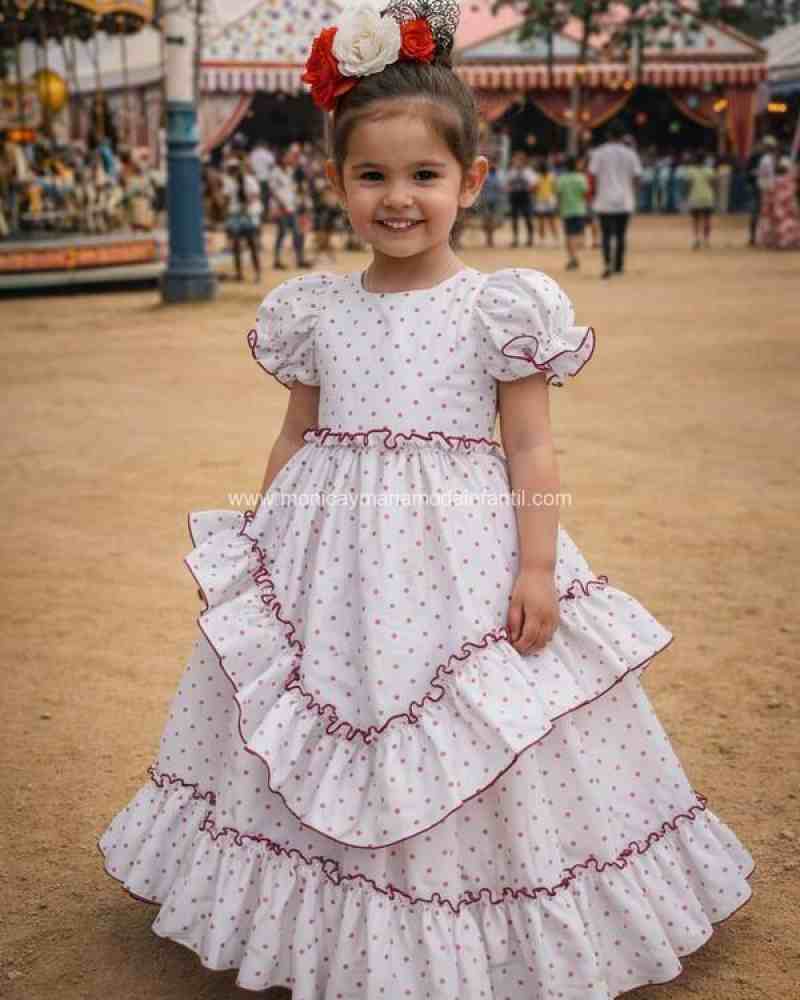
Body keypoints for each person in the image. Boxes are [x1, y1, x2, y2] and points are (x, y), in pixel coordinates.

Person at [97, 1, 754, 995]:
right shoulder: (315, 309)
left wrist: (538, 568)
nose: (396, 198)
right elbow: (295, 435)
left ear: (469, 181)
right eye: (371, 175)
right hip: (326, 566)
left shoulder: (499, 307)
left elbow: (530, 446)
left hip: (463, 562)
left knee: (482, 728)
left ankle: (480, 920)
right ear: (335, 182)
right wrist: (257, 554)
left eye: (423, 176)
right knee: (321, 718)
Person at [588, 119, 642, 278]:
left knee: (606, 234)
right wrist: (634, 192)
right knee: (620, 234)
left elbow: (592, 176)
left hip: (604, 199)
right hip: (625, 200)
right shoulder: (630, 153)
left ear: (608, 135)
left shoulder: (599, 153)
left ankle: (607, 264)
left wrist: (593, 194)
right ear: (622, 136)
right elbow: (637, 176)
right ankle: (618, 266)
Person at [268, 148, 312, 270]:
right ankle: (277, 260)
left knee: (297, 232)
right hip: (280, 207)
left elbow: (292, 189)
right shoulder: (275, 172)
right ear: (281, 159)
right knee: (282, 233)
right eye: (286, 157)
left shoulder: (289, 171)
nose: (289, 159)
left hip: (291, 206)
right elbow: (273, 191)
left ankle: (299, 259)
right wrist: (281, 205)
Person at [222, 156, 262, 282]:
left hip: (245, 215)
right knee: (239, 246)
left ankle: (255, 273)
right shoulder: (230, 182)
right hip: (237, 215)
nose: (233, 171)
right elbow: (227, 199)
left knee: (250, 244)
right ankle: (241, 273)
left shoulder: (247, 180)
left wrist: (246, 204)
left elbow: (255, 195)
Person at [756, 154, 800, 250]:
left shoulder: (777, 181)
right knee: (784, 226)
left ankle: (781, 242)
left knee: (781, 226)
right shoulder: (786, 181)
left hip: (781, 207)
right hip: (783, 207)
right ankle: (783, 242)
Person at [556, 154, 588, 270]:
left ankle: (572, 257)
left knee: (569, 235)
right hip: (579, 210)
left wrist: (559, 208)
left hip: (566, 210)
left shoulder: (562, 178)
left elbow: (559, 194)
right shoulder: (581, 178)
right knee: (578, 234)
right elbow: (585, 193)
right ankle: (575, 255)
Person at [685, 149, 717, 249]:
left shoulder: (690, 170)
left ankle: (696, 240)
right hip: (707, 197)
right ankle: (706, 240)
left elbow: (688, 185)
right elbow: (713, 184)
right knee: (707, 219)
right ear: (704, 160)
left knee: (695, 220)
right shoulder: (709, 170)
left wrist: (687, 195)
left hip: (694, 197)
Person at [505, 149, 537, 248]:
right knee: (514, 218)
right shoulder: (512, 171)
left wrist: (529, 189)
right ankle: (515, 239)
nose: (517, 161)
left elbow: (534, 184)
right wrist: (509, 188)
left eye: (520, 159)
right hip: (515, 196)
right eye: (516, 159)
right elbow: (507, 184)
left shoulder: (528, 171)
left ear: (524, 161)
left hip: (525, 196)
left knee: (528, 217)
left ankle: (530, 238)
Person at [476, 158, 507, 247]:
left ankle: (490, 238)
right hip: (486, 200)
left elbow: (502, 188)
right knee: (486, 220)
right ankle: (488, 238)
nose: (493, 166)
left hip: (494, 201)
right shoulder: (485, 176)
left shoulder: (499, 176)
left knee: (492, 220)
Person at [534, 154, 560, 245]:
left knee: (551, 220)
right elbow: (536, 188)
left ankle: (555, 238)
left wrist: (555, 199)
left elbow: (555, 188)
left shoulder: (550, 176)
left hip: (548, 200)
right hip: (542, 199)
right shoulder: (538, 177)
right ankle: (543, 239)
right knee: (542, 221)